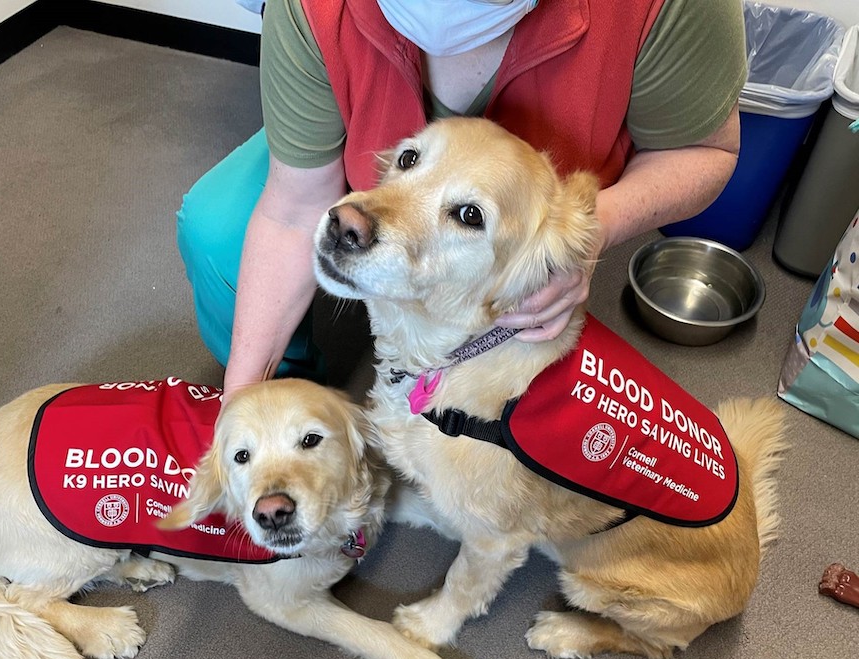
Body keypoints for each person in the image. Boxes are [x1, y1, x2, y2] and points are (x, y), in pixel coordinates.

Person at [177, 0, 747, 395]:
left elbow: (706, 153)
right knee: (216, 231)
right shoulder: (315, 11)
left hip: (537, 219)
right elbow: (294, 209)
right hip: (364, 163)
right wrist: (242, 404)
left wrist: (589, 230)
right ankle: (303, 375)